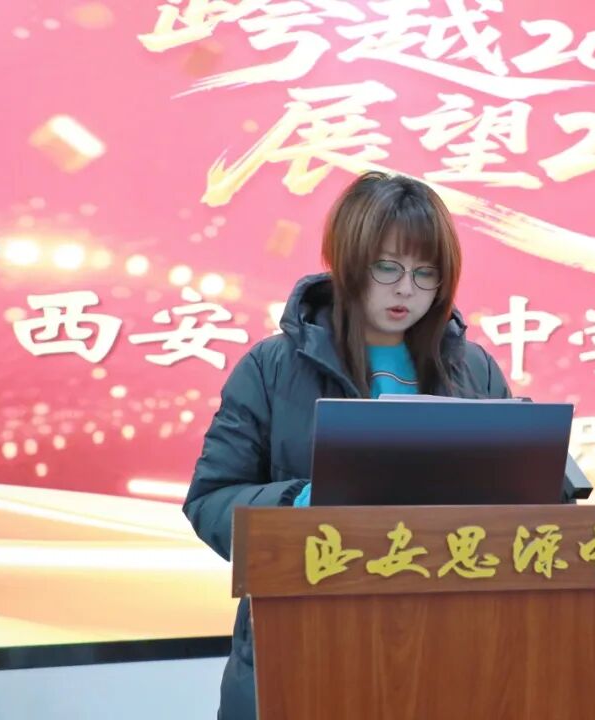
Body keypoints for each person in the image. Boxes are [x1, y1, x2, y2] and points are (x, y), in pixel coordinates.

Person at [182, 171, 512, 720]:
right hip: (304, 648)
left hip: (445, 647)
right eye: (388, 267)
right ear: (347, 260)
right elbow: (210, 501)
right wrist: (300, 504)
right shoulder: (272, 367)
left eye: (425, 273)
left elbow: (535, 497)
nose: (406, 289)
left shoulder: (472, 370)